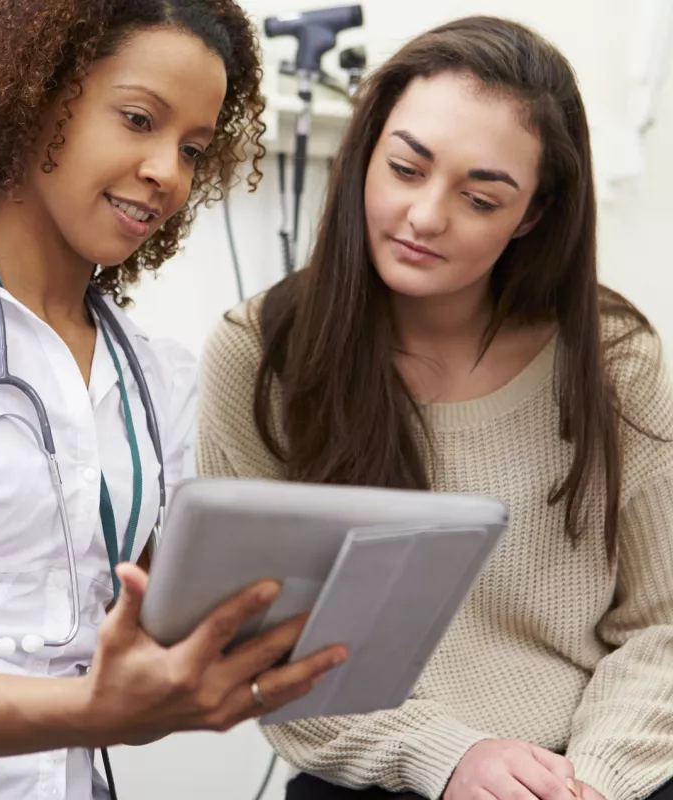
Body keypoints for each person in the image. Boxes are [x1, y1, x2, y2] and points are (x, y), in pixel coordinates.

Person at [0, 0, 348, 797]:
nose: (168, 172)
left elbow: (146, 636)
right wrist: (83, 710)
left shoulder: (155, 377)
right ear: (32, 95)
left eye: (192, 148)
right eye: (138, 119)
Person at [196, 15, 673, 800]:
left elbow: (659, 626)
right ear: (367, 151)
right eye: (406, 168)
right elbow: (271, 655)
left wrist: (591, 783)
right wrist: (452, 758)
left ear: (533, 215)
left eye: (480, 198)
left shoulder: (613, 360)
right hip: (384, 771)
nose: (424, 216)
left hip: (591, 773)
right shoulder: (261, 355)